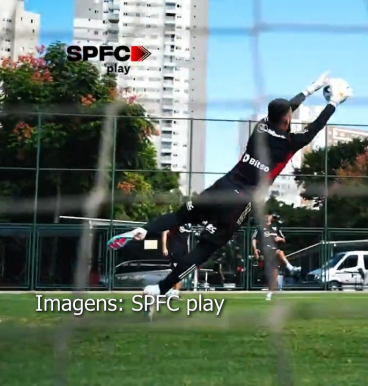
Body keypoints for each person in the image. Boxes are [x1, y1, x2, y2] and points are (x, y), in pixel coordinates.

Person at [106, 72, 352, 298]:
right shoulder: (290, 143)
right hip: (239, 201)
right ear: (288, 119)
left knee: (178, 216)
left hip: (222, 185)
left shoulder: (260, 127)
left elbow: (287, 109)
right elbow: (316, 127)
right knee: (205, 248)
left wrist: (310, 89)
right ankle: (161, 288)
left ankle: (143, 230)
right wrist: (334, 102)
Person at [252, 214, 296, 300]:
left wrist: (280, 239)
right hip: (265, 251)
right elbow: (254, 239)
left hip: (274, 252)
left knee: (274, 276)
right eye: (265, 215)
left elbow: (283, 239)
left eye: (269, 215)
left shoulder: (276, 228)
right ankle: (290, 267)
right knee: (279, 252)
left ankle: (269, 293)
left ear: (271, 218)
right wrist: (255, 250)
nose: (267, 216)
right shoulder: (260, 228)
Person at [160, 223, 194, 299]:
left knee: (182, 272)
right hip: (176, 251)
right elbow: (165, 232)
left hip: (184, 251)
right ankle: (174, 292)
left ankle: (174, 291)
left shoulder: (189, 224)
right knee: (177, 271)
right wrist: (164, 247)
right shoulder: (177, 224)